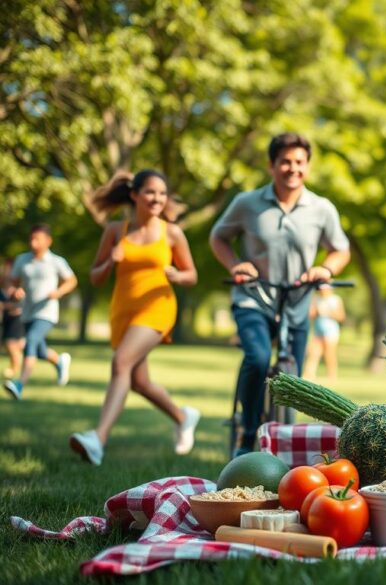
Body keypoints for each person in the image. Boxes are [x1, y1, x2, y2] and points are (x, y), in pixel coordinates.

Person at [210, 132, 351, 456]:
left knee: (293, 380)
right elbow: (218, 238)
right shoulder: (247, 203)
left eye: (299, 162)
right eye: (285, 161)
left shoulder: (321, 208)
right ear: (271, 165)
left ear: (308, 167)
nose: (293, 168)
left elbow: (340, 250)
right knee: (258, 358)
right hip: (253, 298)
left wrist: (325, 269)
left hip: (297, 303)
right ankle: (246, 435)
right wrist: (235, 265)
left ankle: (282, 444)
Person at [68, 170, 201, 465]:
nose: (157, 198)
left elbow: (192, 274)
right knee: (138, 382)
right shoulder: (117, 230)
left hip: (157, 306)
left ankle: (98, 439)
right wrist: (111, 260)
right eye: (151, 192)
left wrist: (177, 275)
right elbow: (95, 276)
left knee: (120, 363)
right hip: (123, 310)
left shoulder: (172, 233)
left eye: (162, 193)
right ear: (135, 195)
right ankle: (183, 416)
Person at [4, 225, 76, 400]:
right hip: (27, 312)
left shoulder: (56, 261)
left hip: (47, 312)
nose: (33, 242)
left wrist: (58, 292)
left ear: (48, 241)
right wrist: (14, 292)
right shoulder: (22, 260)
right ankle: (59, 361)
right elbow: (11, 283)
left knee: (31, 341)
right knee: (39, 350)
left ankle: (19, 384)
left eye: (37, 239)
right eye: (31, 239)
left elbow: (72, 281)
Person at [303, 284, 346, 380]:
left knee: (329, 354)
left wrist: (327, 312)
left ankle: (332, 375)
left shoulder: (335, 299)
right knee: (313, 353)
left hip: (331, 331)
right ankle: (309, 374)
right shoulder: (316, 299)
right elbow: (311, 315)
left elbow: (341, 317)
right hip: (318, 330)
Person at [1, 259, 26, 380]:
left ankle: (14, 370)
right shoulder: (2, 289)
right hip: (7, 320)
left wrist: (6, 306)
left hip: (18, 320)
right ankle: (14, 368)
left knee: (11, 344)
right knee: (11, 345)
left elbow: (22, 304)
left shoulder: (19, 289)